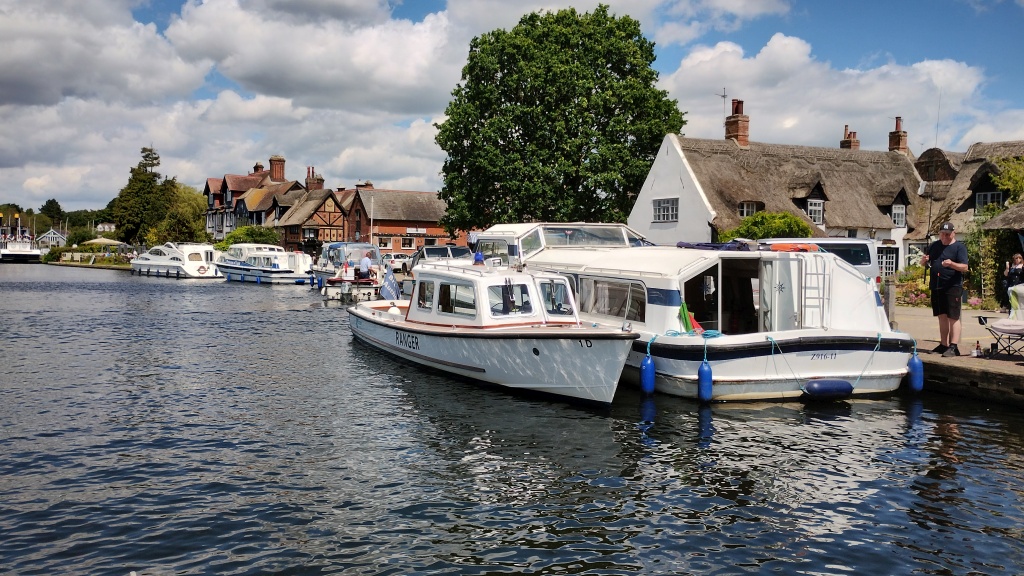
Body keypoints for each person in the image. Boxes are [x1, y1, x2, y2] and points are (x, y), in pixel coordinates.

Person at [920, 222, 969, 357]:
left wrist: (951, 264)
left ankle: (954, 346)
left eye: (947, 234)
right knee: (941, 316)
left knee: (953, 316)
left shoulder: (959, 247)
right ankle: (943, 344)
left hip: (952, 285)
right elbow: (925, 262)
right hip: (936, 285)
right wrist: (924, 261)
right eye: (942, 234)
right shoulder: (935, 246)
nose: (945, 237)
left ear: (953, 233)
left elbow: (964, 267)